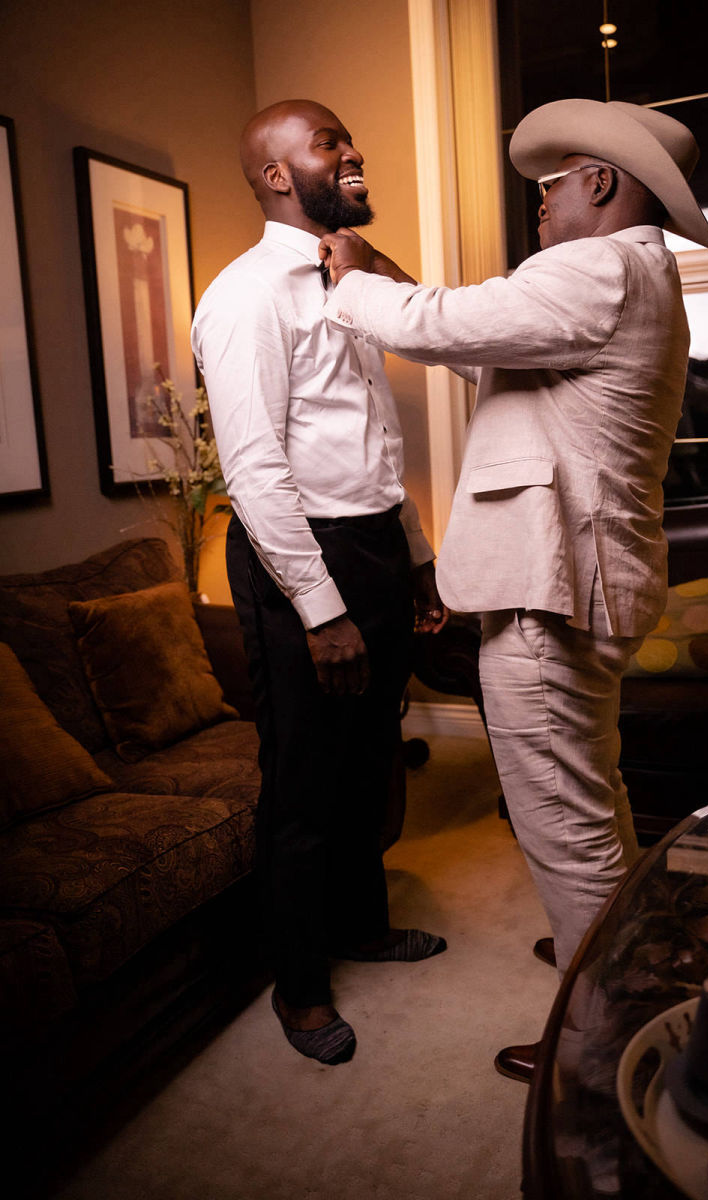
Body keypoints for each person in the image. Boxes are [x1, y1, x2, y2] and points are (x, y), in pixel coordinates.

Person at [318, 98, 708, 1080]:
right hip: (585, 584)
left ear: (600, 182)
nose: (538, 202)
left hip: (552, 592)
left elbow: (444, 324)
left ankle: (602, 1042)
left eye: (551, 184)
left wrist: (351, 278)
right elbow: (486, 348)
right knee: (594, 797)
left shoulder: (597, 266)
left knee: (565, 828)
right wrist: (395, 281)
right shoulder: (635, 275)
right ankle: (616, 961)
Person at [191, 99, 448, 1067]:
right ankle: (299, 987)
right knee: (303, 781)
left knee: (370, 756)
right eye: (328, 142)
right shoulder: (244, 295)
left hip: (373, 544)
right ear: (275, 175)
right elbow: (257, 470)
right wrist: (323, 610)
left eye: (347, 138)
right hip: (300, 560)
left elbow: (372, 436)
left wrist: (413, 556)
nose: (352, 151)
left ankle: (360, 927)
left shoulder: (349, 278)